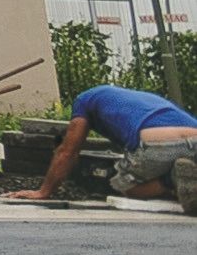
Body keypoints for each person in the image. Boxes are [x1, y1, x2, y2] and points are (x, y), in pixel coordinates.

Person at [12, 79, 197, 201]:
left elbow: (68, 151)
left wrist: (43, 191)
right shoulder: (140, 100)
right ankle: (185, 180)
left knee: (124, 186)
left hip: (158, 143)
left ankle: (172, 180)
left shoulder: (84, 100)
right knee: (171, 165)